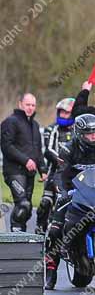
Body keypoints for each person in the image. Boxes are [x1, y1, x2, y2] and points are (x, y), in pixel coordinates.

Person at [45, 114, 95, 289]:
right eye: (89, 134)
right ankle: (51, 271)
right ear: (79, 134)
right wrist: (62, 191)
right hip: (74, 193)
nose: (94, 137)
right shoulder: (68, 149)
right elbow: (59, 174)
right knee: (54, 231)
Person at [1, 93, 47, 233]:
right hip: (14, 171)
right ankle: (15, 232)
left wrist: (43, 170)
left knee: (26, 210)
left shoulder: (35, 125)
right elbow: (6, 146)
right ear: (20, 104)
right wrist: (25, 160)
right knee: (23, 204)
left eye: (33, 105)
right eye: (28, 104)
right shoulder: (10, 122)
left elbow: (37, 151)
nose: (30, 108)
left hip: (29, 173)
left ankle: (22, 239)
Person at [35, 98, 75, 235]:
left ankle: (57, 237)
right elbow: (48, 150)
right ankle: (40, 229)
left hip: (70, 176)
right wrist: (62, 160)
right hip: (53, 174)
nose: (63, 115)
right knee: (45, 203)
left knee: (62, 207)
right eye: (61, 112)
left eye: (67, 113)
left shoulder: (78, 130)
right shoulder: (53, 129)